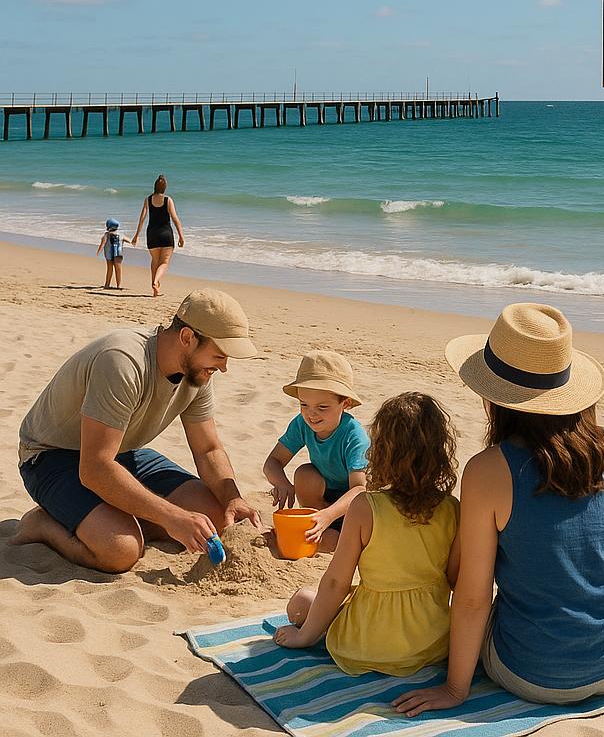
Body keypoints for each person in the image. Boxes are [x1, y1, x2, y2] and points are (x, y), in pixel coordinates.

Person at [394, 303, 604, 717]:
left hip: (537, 676)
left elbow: (472, 600)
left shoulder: (487, 470)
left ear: (493, 396)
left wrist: (454, 688)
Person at [14, 289, 263, 573]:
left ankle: (111, 518)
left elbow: (208, 449)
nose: (225, 367)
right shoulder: (122, 361)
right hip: (50, 457)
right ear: (187, 338)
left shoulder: (197, 373)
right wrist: (172, 517)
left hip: (118, 451)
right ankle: (44, 525)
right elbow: (94, 468)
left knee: (218, 519)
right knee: (121, 550)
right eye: (219, 355)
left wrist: (233, 498)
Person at [273, 392, 459, 678]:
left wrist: (304, 637)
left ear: (381, 451)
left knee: (300, 602)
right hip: (431, 643)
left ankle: (321, 634)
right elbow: (455, 579)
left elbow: (336, 582)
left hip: (369, 643)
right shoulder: (452, 508)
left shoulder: (365, 507)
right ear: (440, 452)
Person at [262, 351, 370, 553]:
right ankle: (317, 526)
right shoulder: (302, 424)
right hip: (321, 499)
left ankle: (332, 532)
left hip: (352, 506)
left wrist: (329, 515)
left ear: (345, 403)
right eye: (304, 404)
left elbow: (359, 490)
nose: (311, 414)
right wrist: (282, 483)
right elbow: (272, 462)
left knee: (332, 543)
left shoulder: (354, 436)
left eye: (322, 407)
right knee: (305, 474)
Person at [131, 174, 184, 297]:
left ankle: (155, 289)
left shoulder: (148, 200)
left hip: (152, 234)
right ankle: (156, 281)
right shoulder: (168, 200)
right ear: (165, 187)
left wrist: (136, 235)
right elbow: (175, 219)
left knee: (155, 261)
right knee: (164, 262)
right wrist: (181, 236)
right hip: (166, 234)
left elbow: (142, 219)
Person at [96, 217, 127, 290]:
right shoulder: (121, 235)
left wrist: (98, 252)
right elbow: (130, 241)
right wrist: (135, 241)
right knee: (118, 269)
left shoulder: (106, 235)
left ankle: (107, 284)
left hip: (109, 254)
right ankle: (118, 285)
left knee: (109, 269)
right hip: (118, 254)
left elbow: (103, 244)